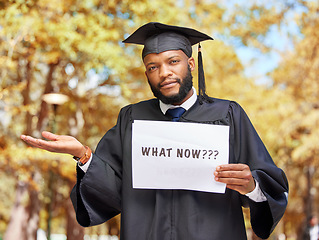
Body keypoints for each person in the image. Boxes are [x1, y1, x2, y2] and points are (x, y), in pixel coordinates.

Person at [21, 22, 289, 240]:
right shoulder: (132, 118)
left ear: (190, 65)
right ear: (147, 73)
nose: (164, 73)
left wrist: (252, 186)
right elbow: (114, 191)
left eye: (173, 62)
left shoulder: (228, 115)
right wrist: (83, 155)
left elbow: (269, 184)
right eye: (153, 67)